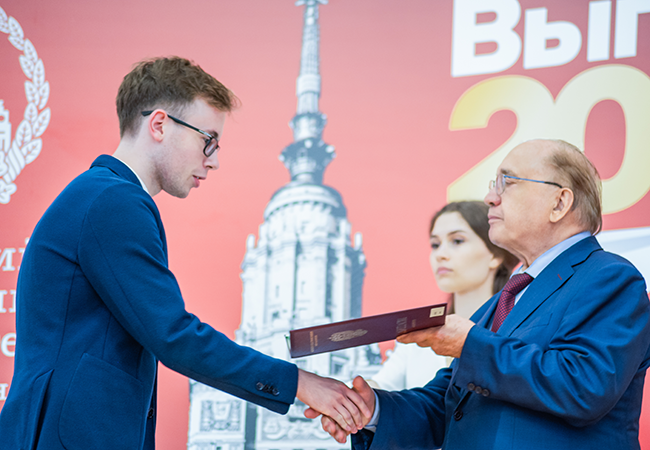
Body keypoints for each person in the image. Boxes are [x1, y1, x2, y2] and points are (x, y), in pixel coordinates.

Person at [0, 57, 370, 450]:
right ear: (159, 125)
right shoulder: (113, 202)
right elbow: (174, 335)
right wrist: (301, 383)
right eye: (207, 139)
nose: (213, 159)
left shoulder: (100, 196)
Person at [313, 139, 650, 449]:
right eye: (493, 185)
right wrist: (373, 410)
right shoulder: (503, 301)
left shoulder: (609, 278)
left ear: (559, 202)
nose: (491, 197)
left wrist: (470, 343)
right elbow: (447, 407)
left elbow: (584, 386)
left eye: (508, 182)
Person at [369, 202, 518, 390]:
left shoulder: (516, 331)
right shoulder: (419, 336)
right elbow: (380, 388)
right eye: (435, 244)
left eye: (457, 241)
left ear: (495, 254)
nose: (441, 254)